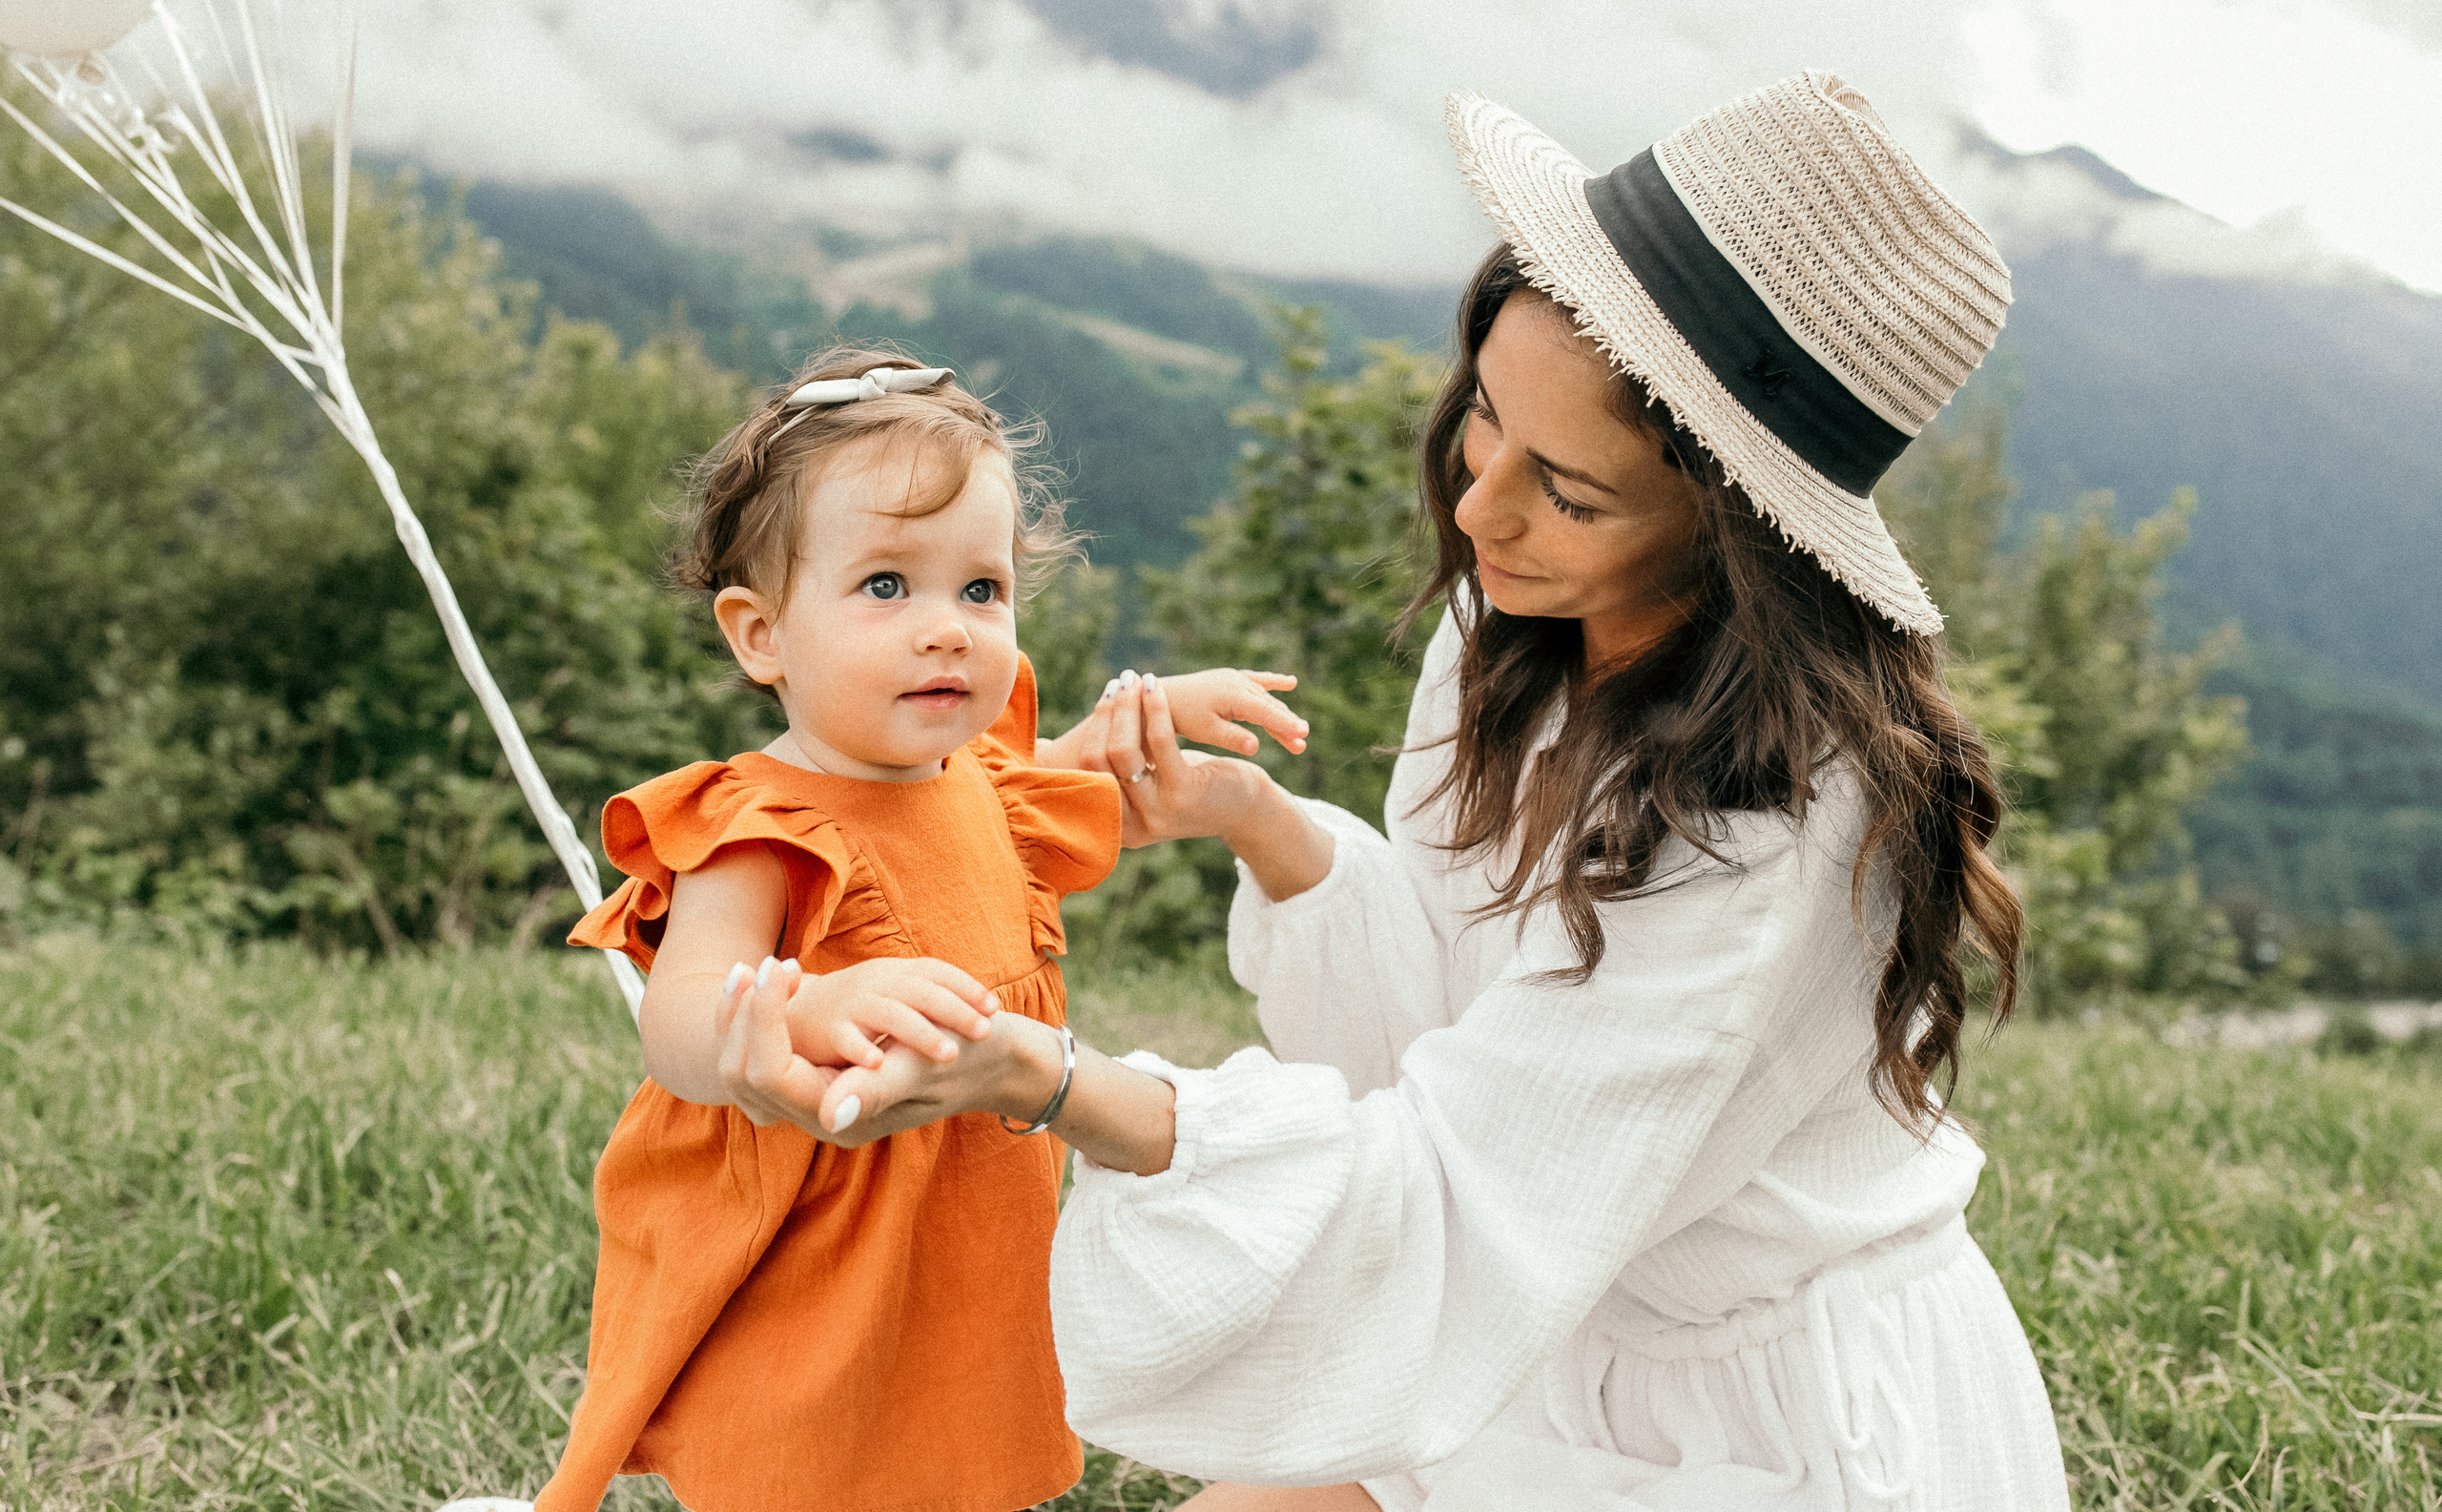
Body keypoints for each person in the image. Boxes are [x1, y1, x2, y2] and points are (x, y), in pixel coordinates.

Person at [740, 73, 2074, 1509]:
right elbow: (1461, 1009)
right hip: (1539, 1335)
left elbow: (1453, 1177)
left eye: (1569, 490)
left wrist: (1046, 1078)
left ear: (1739, 535)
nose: (1480, 504)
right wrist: (1260, 822)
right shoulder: (1517, 636)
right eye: (1486, 415)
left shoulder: (1775, 834)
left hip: (1776, 1428)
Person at [530, 348, 1307, 1512]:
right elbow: (683, 1018)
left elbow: (1027, 787)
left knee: (968, 1451)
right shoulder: (754, 824)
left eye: (980, 590)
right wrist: (800, 1006)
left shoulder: (979, 782)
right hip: (820, 1267)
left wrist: (1142, 721)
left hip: (969, 1240)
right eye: (886, 586)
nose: (947, 629)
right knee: (817, 1471)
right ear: (761, 635)